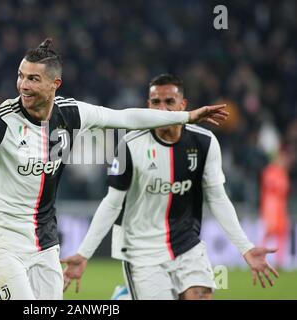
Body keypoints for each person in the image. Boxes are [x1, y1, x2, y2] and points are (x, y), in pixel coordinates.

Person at [0, 41, 228, 300]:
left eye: (33, 78)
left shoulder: (70, 113)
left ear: (55, 84)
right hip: (0, 232)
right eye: (21, 76)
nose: (23, 84)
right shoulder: (1, 121)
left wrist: (187, 116)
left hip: (43, 236)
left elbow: (125, 117)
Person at [62, 74, 279, 300]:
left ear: (183, 105)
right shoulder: (130, 145)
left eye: (169, 102)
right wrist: (84, 253)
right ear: (148, 106)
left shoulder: (204, 143)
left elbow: (217, 198)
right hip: (141, 249)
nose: (162, 109)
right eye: (156, 102)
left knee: (201, 295)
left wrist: (245, 247)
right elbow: (112, 203)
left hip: (187, 244)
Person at [260, 146, 293, 268]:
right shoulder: (270, 171)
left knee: (282, 233)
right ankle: (260, 258)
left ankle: (280, 261)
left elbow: (284, 190)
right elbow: (274, 189)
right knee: (269, 233)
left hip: (281, 207)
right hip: (271, 207)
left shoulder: (283, 173)